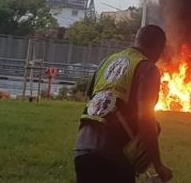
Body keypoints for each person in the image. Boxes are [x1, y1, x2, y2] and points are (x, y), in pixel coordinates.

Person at [74, 25, 173, 183]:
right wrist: (158, 165)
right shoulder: (147, 69)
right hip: (113, 155)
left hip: (83, 148)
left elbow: (91, 99)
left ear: (137, 40)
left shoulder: (106, 62)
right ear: (160, 47)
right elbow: (145, 119)